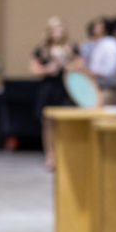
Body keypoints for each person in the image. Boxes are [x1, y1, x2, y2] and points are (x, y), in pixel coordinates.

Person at [29, 16, 73, 169]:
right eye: (53, 29)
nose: (56, 32)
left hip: (66, 88)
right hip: (48, 88)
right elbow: (33, 69)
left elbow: (80, 68)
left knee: (65, 122)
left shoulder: (71, 48)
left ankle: (64, 154)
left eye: (59, 28)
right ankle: (50, 155)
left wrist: (63, 62)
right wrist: (48, 69)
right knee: (47, 123)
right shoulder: (41, 50)